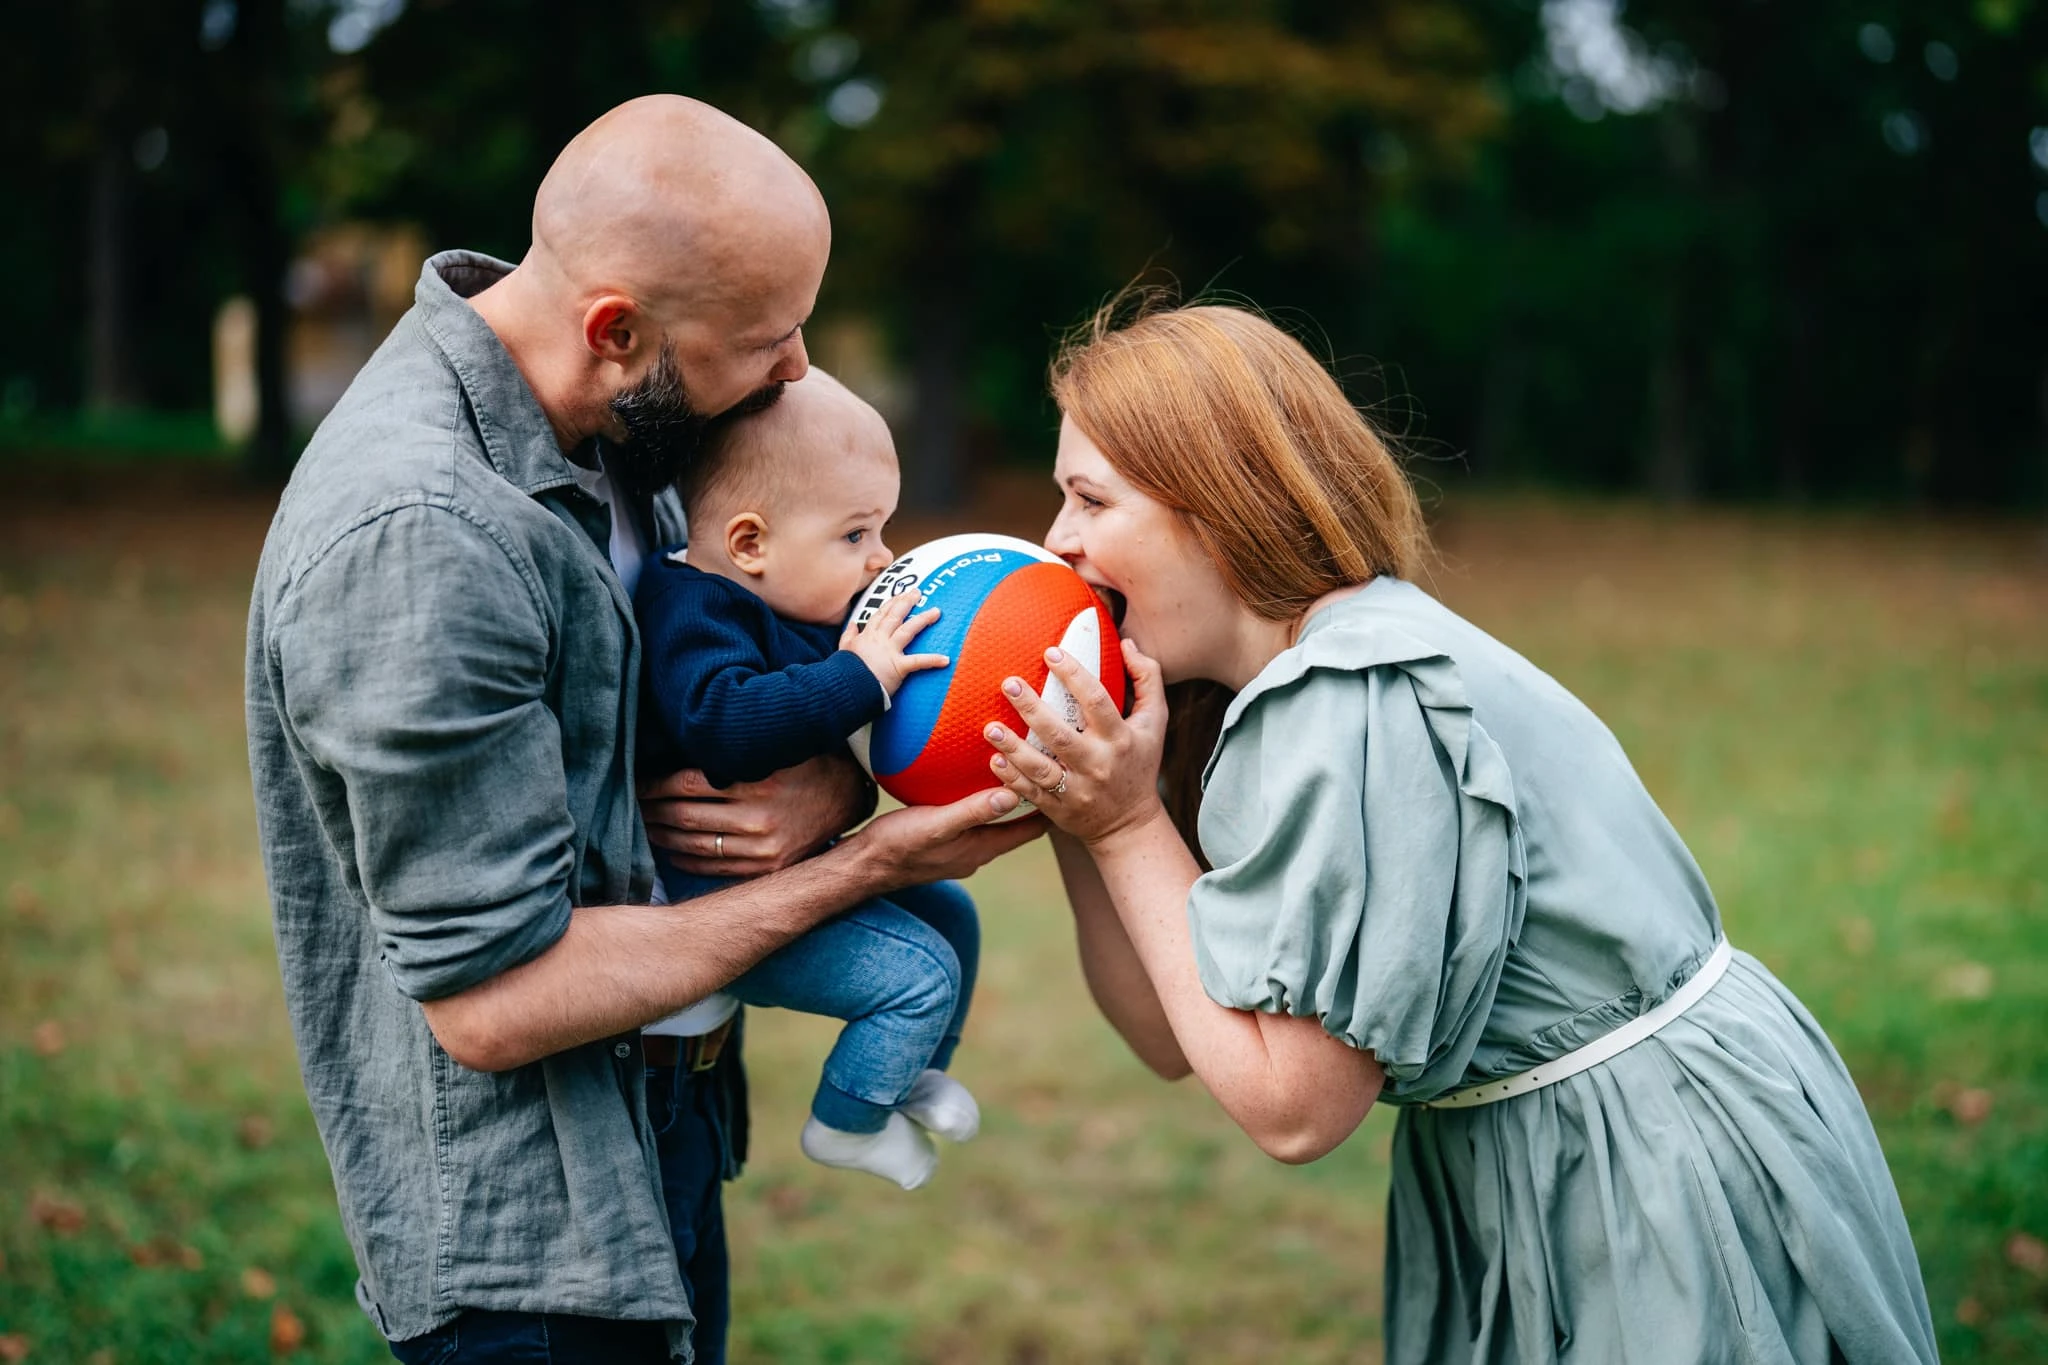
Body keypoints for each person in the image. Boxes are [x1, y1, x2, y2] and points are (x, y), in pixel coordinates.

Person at [978, 298, 1939, 1364]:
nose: (1056, 539)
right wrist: (1078, 807)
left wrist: (1121, 829)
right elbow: (1173, 1036)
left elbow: (1292, 1109)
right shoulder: (1315, 668)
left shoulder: (1347, 698)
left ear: (1215, 504)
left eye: (1088, 498)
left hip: (1644, 1154)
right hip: (1541, 1143)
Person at [244, 96, 1037, 1365]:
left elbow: (712, 706)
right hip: (533, 1239)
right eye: (768, 338)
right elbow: (491, 1003)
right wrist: (869, 864)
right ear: (616, 328)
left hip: (666, 1118)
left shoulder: (630, 426)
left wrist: (825, 790)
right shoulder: (423, 534)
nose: (793, 371)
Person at [635, 368, 983, 1191]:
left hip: (774, 872)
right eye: (856, 535)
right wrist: (861, 677)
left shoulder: (784, 598)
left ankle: (905, 1074)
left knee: (951, 913)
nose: (883, 556)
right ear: (750, 544)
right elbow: (723, 724)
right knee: (917, 974)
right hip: (702, 902)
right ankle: (848, 1123)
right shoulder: (693, 609)